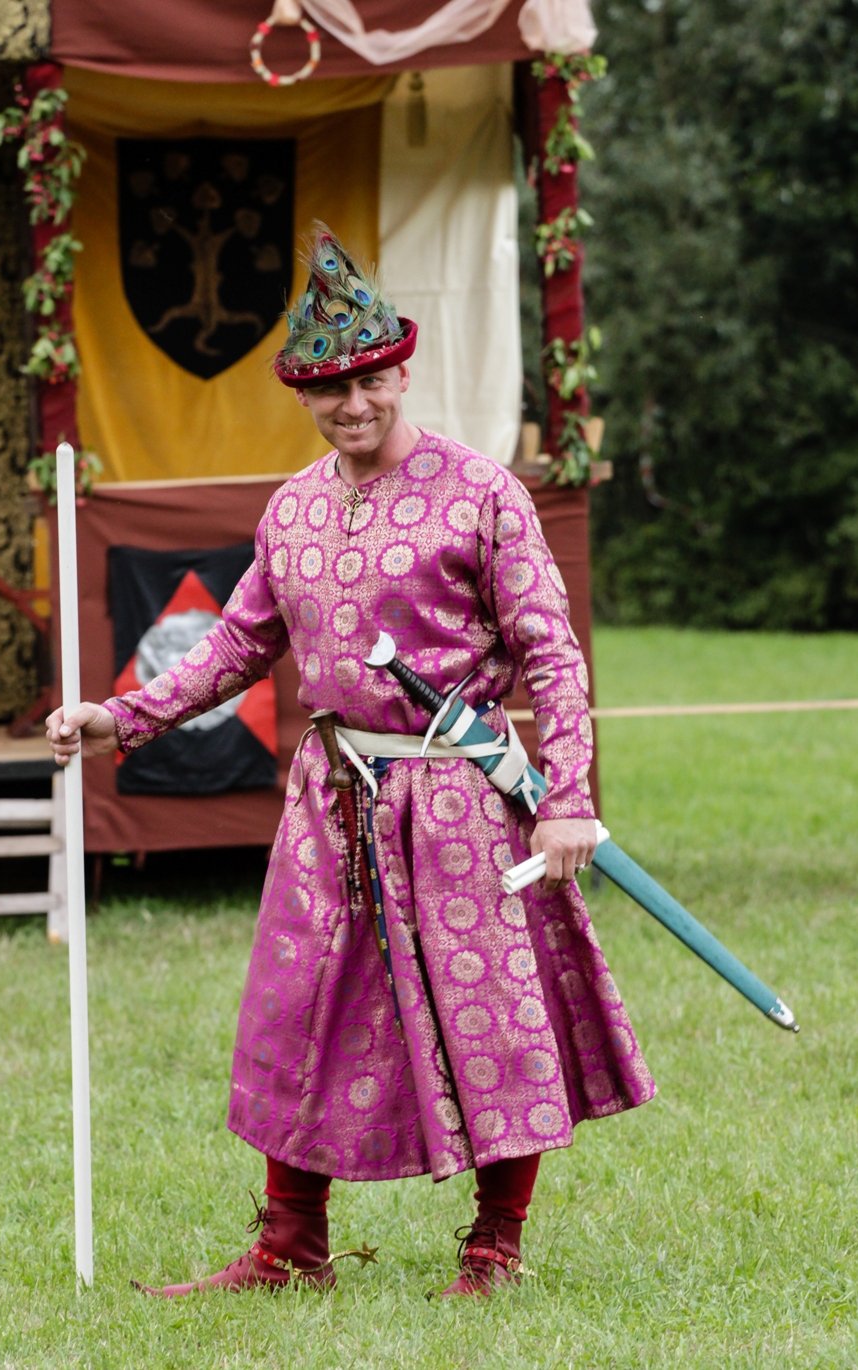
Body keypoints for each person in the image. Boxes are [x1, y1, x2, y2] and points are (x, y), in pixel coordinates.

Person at [46, 225, 655, 1298]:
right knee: (300, 1006)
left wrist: (565, 797)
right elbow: (238, 645)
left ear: (402, 372)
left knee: (491, 1011)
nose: (353, 403)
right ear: (304, 392)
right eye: (330, 387)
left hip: (461, 796)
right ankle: (290, 1246)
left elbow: (552, 654)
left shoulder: (483, 493)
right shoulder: (291, 507)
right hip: (331, 798)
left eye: (370, 380)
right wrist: (121, 717)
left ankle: (494, 1244)